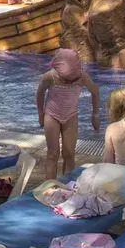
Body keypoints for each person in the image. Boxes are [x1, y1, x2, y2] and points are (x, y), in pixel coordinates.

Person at [35, 48, 100, 180]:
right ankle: (50, 185)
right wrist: (41, 114)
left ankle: (67, 184)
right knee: (53, 154)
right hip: (52, 115)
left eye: (72, 79)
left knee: (69, 153)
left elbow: (95, 92)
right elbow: (40, 93)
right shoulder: (50, 77)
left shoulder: (82, 77)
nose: (70, 82)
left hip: (71, 116)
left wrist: (95, 115)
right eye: (66, 79)